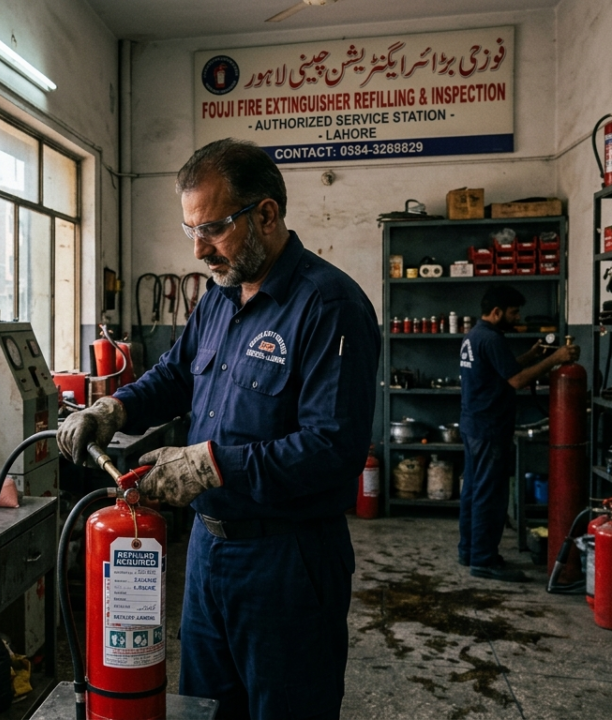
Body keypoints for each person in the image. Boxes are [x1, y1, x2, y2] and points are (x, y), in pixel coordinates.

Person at [58, 138, 380, 719]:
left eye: (214, 229)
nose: (201, 250)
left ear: (267, 213)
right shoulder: (219, 300)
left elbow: (332, 449)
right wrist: (113, 409)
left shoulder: (330, 305)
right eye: (192, 232)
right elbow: (175, 374)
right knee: (206, 709)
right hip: (208, 555)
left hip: (290, 560)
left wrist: (209, 465)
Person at [458, 285, 579, 582]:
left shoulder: (475, 336)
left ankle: (469, 551)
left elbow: (504, 369)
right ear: (497, 312)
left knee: (473, 492)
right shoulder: (492, 339)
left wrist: (532, 354)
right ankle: (484, 560)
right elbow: (516, 380)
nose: (518, 317)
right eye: (513, 312)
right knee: (490, 495)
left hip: (473, 425)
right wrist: (556, 359)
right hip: (489, 429)